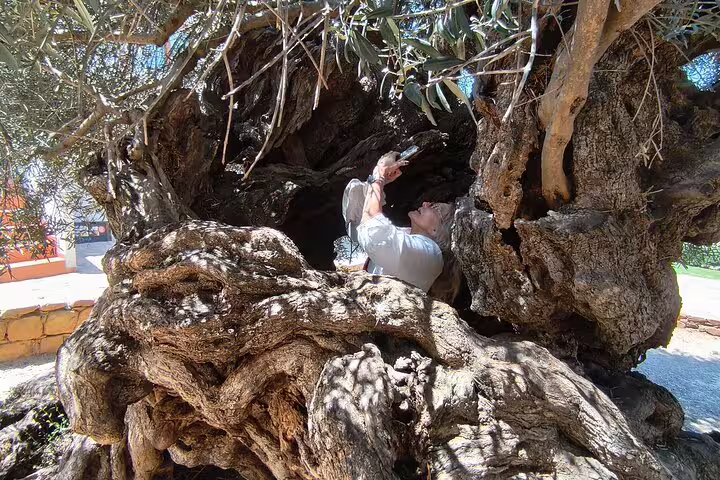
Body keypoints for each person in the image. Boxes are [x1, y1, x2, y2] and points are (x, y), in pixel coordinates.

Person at [353, 151, 457, 294]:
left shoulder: (429, 253)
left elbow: (373, 233)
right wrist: (380, 182)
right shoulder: (413, 241)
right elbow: (365, 216)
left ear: (435, 230)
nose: (426, 203)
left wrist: (379, 176)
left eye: (434, 207)